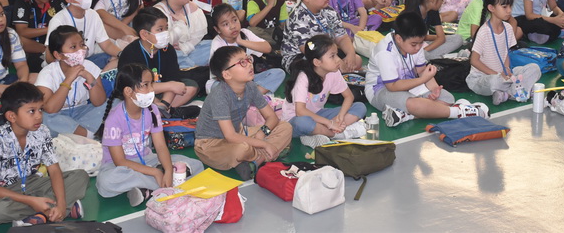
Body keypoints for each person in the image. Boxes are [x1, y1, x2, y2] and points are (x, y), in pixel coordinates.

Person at [0, 82, 88, 226]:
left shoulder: (42, 131)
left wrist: (61, 203)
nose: (38, 116)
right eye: (31, 111)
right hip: (1, 192)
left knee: (80, 176)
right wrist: (31, 201)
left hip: (30, 182)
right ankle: (55, 209)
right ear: (12, 116)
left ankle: (45, 212)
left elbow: (54, 170)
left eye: (40, 109)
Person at [95, 63, 204, 206]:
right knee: (106, 182)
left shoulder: (152, 110)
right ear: (128, 91)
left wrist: (168, 170)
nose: (152, 89)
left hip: (147, 159)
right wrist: (156, 172)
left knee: (196, 165)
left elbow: (160, 146)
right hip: (119, 167)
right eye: (146, 85)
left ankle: (146, 188)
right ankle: (166, 182)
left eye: (151, 84)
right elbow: (120, 161)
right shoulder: (114, 119)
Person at [365, 12, 488, 128]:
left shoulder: (415, 45)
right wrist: (423, 80)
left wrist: (434, 89)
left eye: (421, 43)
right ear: (399, 38)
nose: (418, 48)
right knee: (413, 103)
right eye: (414, 44)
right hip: (381, 91)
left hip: (409, 85)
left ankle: (405, 115)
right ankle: (459, 112)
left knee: (447, 98)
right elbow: (393, 86)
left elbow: (421, 70)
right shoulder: (385, 52)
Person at [194, 46, 293, 180]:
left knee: (285, 127)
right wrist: (264, 143)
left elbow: (272, 117)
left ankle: (256, 161)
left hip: (239, 134)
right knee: (242, 149)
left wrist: (261, 134)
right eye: (242, 62)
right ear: (227, 74)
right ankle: (265, 154)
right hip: (210, 145)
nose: (249, 64)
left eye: (248, 59)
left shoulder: (250, 86)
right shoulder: (219, 95)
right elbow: (230, 136)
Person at [281, 34, 367, 148]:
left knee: (360, 107)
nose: (338, 59)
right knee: (303, 123)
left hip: (318, 114)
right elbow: (300, 112)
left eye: (337, 54)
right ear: (317, 62)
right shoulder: (303, 77)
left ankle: (321, 132)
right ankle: (337, 134)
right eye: (332, 56)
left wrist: (340, 116)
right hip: (295, 119)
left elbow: (349, 96)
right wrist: (329, 123)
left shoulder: (334, 72)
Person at [466, 0, 540, 105]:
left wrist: (507, 69)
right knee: (495, 82)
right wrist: (496, 74)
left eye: (510, 6)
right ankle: (519, 90)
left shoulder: (508, 28)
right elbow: (474, 61)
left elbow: (505, 52)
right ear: (491, 8)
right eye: (504, 7)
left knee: (534, 68)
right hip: (482, 77)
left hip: (503, 75)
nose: (509, 10)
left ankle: (507, 94)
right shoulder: (483, 31)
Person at [281, 0, 361, 73]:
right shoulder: (298, 17)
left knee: (356, 60)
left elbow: (342, 37)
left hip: (328, 52)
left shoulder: (329, 11)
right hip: (302, 57)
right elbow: (309, 49)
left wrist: (350, 54)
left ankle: (337, 73)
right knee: (321, 70)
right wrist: (336, 61)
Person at [36, 26, 107, 138]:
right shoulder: (47, 73)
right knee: (44, 117)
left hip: (83, 113)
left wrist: (89, 78)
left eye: (82, 45)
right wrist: (68, 80)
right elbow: (50, 109)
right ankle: (90, 135)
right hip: (58, 116)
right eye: (73, 47)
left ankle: (77, 134)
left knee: (114, 104)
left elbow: (99, 102)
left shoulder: (90, 67)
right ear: (58, 55)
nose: (80, 50)